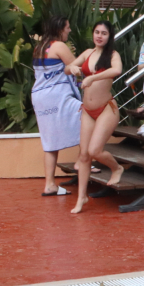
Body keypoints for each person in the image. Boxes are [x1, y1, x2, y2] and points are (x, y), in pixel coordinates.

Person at [67, 21, 125, 214]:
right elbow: (68, 67)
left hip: (106, 108)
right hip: (87, 110)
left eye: (104, 33)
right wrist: (73, 69)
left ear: (110, 36)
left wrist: (92, 77)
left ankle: (117, 168)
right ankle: (81, 197)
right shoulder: (87, 53)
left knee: (94, 151)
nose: (99, 36)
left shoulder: (112, 55)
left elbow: (117, 71)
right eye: (97, 32)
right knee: (84, 155)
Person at [31, 15, 80, 197]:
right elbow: (76, 66)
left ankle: (50, 184)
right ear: (60, 29)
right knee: (90, 117)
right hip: (56, 96)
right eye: (67, 27)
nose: (69, 30)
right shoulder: (59, 46)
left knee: (50, 143)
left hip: (40, 97)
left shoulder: (40, 46)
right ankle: (81, 162)